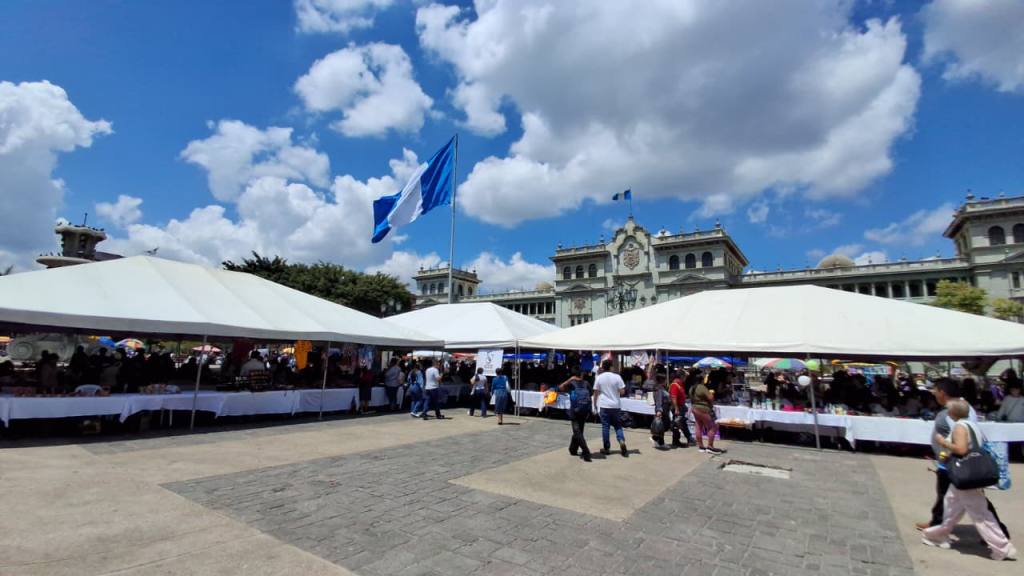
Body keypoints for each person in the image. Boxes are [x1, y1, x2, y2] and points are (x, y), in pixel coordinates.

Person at [922, 399, 1017, 561]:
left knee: (980, 514)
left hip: (965, 474)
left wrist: (942, 441)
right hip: (970, 473)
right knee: (951, 507)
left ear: (952, 413)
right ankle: (935, 535)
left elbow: (961, 449)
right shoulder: (972, 425)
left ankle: (1002, 547)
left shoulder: (959, 427)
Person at [916, 379, 1009, 538]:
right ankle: (937, 524)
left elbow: (960, 438)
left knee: (974, 501)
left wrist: (943, 445)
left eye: (935, 390)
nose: (933, 393)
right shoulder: (964, 407)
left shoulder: (952, 412)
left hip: (957, 463)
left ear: (942, 392)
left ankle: (999, 533)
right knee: (949, 497)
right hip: (954, 462)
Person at [592, 359, 628, 457]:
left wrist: (594, 404)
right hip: (615, 405)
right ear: (611, 367)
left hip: (604, 405)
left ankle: (607, 448)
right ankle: (621, 440)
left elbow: (595, 393)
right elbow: (622, 392)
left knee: (605, 426)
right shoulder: (617, 377)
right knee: (617, 425)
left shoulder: (599, 378)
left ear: (603, 367)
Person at [559, 369, 592, 461]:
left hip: (575, 410)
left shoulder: (571, 384)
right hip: (584, 409)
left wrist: (569, 380)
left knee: (577, 431)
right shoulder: (586, 383)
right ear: (581, 374)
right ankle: (573, 449)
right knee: (579, 430)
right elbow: (591, 393)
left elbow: (560, 388)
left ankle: (586, 451)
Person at [691, 373, 723, 454]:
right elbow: (710, 397)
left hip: (695, 408)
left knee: (698, 426)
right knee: (712, 426)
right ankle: (710, 446)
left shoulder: (692, 388)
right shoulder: (702, 387)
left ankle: (701, 446)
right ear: (702, 380)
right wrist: (711, 393)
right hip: (703, 409)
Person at [669, 375, 695, 447]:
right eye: (684, 377)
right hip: (678, 407)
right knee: (677, 424)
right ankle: (676, 440)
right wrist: (676, 408)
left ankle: (688, 438)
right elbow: (674, 397)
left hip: (681, 407)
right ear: (681, 377)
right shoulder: (675, 385)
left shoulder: (679, 385)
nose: (685, 379)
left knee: (682, 423)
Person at [650, 373, 672, 449]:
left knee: (662, 426)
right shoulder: (659, 389)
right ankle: (658, 441)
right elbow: (659, 400)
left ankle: (657, 440)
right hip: (662, 409)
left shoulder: (661, 388)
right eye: (665, 380)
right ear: (662, 380)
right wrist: (659, 410)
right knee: (662, 426)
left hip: (664, 408)